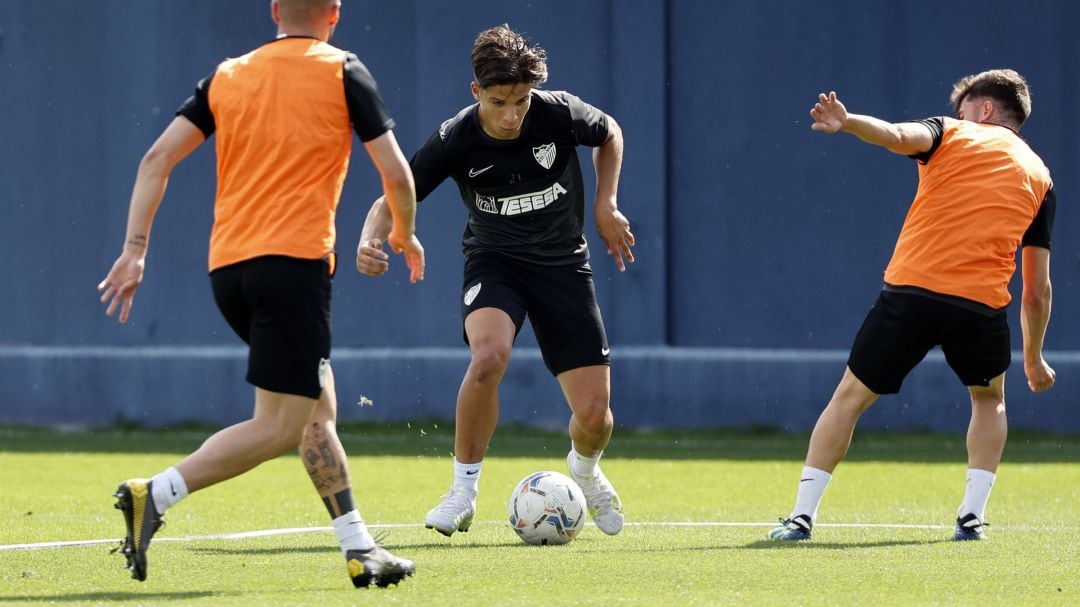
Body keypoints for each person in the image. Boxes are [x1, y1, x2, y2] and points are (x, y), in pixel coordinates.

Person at [96, 0, 424, 587]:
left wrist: (135, 247)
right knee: (277, 426)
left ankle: (359, 546)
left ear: (274, 9)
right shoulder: (343, 69)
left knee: (316, 411)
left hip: (229, 271)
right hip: (293, 268)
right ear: (336, 13)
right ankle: (156, 493)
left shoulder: (227, 74)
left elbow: (156, 158)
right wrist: (402, 233)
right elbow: (397, 175)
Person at [357, 24, 635, 538]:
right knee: (488, 356)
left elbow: (610, 132)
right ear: (476, 92)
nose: (512, 115)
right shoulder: (457, 137)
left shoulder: (557, 111)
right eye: (500, 101)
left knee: (596, 416)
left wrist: (605, 201)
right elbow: (397, 190)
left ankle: (585, 472)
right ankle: (462, 491)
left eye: (521, 102)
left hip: (562, 265)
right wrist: (370, 238)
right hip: (495, 261)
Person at [770, 69, 1056, 542]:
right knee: (989, 400)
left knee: (849, 398)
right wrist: (1033, 358)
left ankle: (801, 517)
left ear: (983, 109)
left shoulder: (953, 130)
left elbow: (898, 135)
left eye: (965, 106)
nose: (959, 113)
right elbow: (1037, 290)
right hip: (980, 306)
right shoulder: (1041, 176)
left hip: (912, 292)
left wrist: (849, 121)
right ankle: (971, 518)